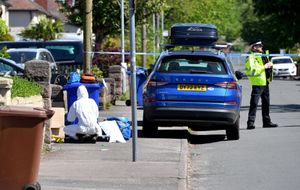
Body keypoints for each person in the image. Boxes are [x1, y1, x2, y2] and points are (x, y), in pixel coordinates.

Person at [245, 40, 278, 130]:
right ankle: (250, 123)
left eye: (261, 45)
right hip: (257, 83)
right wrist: (265, 66)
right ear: (254, 47)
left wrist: (270, 66)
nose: (261, 47)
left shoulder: (263, 55)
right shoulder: (251, 57)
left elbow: (266, 68)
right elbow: (252, 70)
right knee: (254, 104)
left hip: (265, 82)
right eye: (259, 46)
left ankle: (266, 122)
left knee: (266, 104)